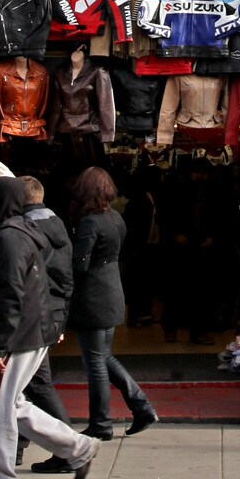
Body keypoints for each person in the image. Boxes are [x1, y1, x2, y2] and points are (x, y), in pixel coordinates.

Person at [0, 176, 98, 479]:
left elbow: (11, 295)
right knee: (7, 405)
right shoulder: (18, 233)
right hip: (28, 333)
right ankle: (77, 448)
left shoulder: (9, 238)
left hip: (18, 337)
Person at [67, 167, 159, 441]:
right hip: (111, 290)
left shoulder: (89, 223)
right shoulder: (115, 217)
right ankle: (141, 406)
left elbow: (79, 264)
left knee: (95, 362)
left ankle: (101, 422)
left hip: (92, 297)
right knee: (102, 357)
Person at [18, 177, 78, 474]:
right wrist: (61, 317)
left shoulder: (26, 230)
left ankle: (69, 449)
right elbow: (65, 278)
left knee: (35, 384)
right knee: (24, 385)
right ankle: (15, 446)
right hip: (50, 312)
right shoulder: (57, 225)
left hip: (33, 316)